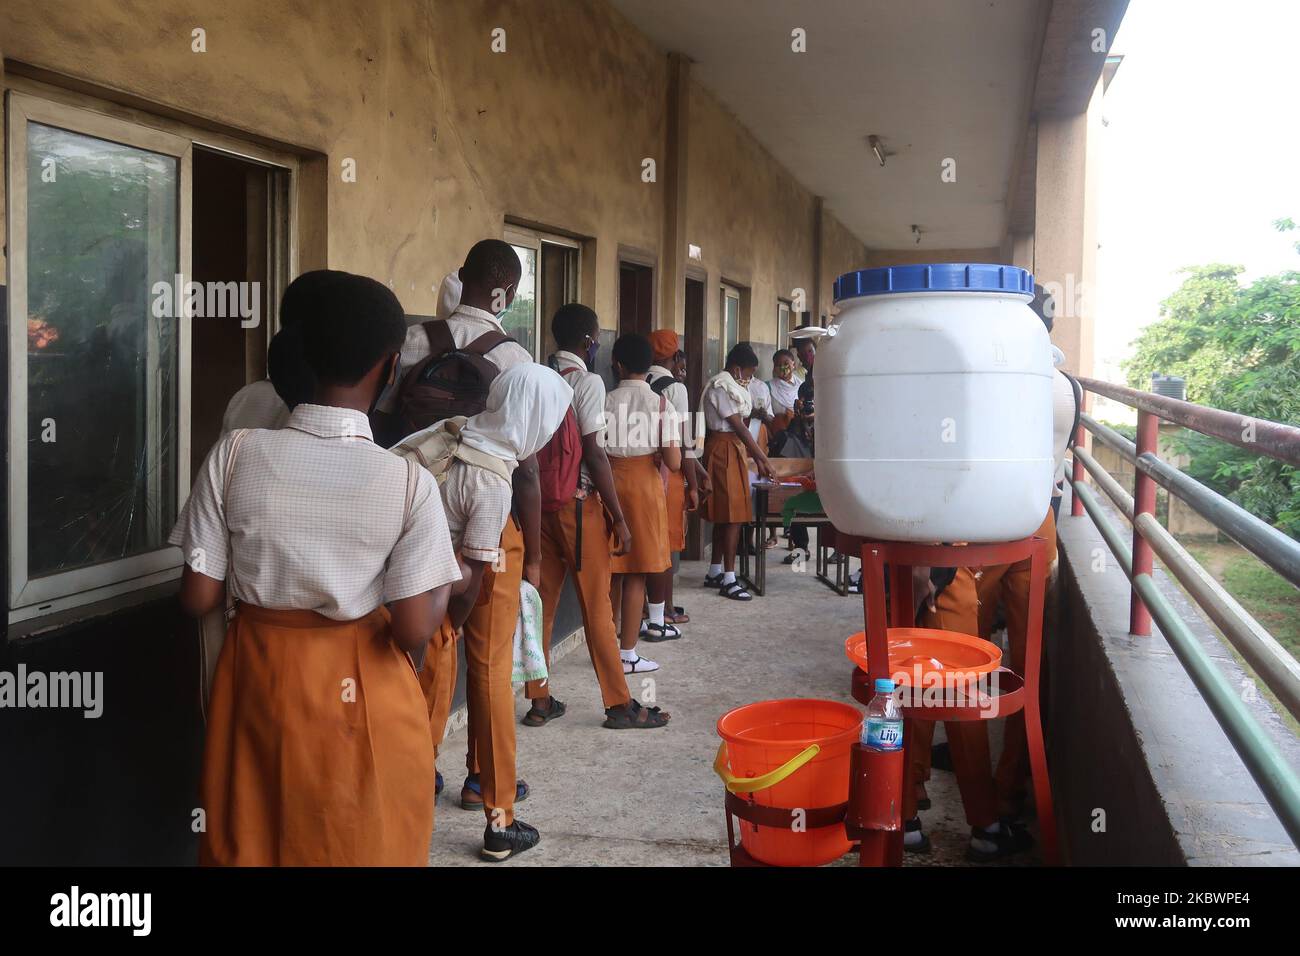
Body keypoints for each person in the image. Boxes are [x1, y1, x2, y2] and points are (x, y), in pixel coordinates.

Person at [171, 271, 462, 866]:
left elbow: (199, 596)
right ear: (387, 366)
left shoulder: (236, 453)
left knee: (251, 836)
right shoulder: (406, 482)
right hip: (365, 689)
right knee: (363, 834)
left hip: (256, 679)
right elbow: (411, 629)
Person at [904, 286, 1074, 862]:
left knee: (943, 669)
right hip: (1031, 530)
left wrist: (930, 556)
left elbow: (951, 467)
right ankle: (1004, 798)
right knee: (1017, 670)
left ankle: (921, 800)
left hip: (971, 532)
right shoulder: (1062, 384)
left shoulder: (992, 381)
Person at [393, 362, 573, 860]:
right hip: (469, 573)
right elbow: (474, 570)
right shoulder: (495, 478)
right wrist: (452, 617)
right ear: (538, 421)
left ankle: (407, 799)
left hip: (416, 578)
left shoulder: (447, 431)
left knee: (424, 685)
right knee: (492, 677)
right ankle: (499, 815)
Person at [522, 306, 666, 729]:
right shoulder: (586, 382)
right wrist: (618, 517)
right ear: (589, 340)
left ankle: (539, 700)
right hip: (578, 507)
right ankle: (620, 704)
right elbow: (595, 453)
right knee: (598, 607)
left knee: (540, 608)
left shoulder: (536, 375)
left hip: (537, 507)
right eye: (596, 336)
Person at [604, 333, 683, 675]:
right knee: (637, 571)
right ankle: (628, 653)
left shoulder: (603, 400)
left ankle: (604, 646)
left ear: (617, 365)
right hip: (645, 489)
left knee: (610, 571)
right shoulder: (661, 403)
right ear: (648, 367)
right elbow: (675, 461)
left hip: (608, 486)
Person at [701, 342, 775, 600]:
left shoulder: (731, 384)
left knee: (728, 514)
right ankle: (729, 578)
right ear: (736, 368)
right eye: (748, 373)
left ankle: (715, 571)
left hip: (732, 448)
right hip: (724, 448)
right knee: (731, 516)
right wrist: (760, 456)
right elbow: (740, 427)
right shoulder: (721, 386)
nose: (750, 379)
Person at [645, 329, 700, 636]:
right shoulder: (676, 389)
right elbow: (685, 442)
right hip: (670, 470)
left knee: (647, 540)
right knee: (665, 546)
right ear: (675, 356)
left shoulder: (641, 382)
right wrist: (693, 484)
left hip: (640, 468)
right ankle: (664, 609)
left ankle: (646, 608)